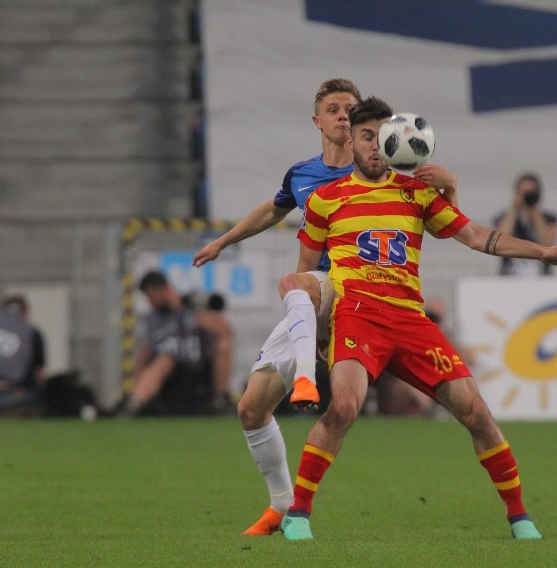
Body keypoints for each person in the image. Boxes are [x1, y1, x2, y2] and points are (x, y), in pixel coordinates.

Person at [280, 96, 557, 541]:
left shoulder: (416, 194)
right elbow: (309, 273)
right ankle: (298, 514)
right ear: (352, 138)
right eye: (368, 135)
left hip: (410, 320)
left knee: (476, 411)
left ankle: (520, 517)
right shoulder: (326, 199)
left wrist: (543, 252)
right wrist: (317, 331)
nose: (376, 145)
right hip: (358, 315)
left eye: (384, 137)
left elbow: (478, 236)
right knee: (345, 407)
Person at [192, 78, 461, 535]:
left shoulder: (384, 168)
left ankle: (305, 377)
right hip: (313, 297)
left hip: (358, 295)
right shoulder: (302, 175)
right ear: (317, 121)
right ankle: (280, 505)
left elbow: (441, 220)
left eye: (349, 109)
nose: (343, 116)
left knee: (308, 303)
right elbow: (273, 210)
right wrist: (222, 240)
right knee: (251, 409)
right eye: (333, 109)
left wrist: (450, 186)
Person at [120, 270, 234, 416]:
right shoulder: (152, 319)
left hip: (198, 365)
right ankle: (134, 404)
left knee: (223, 344)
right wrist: (136, 385)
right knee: (165, 358)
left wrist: (191, 313)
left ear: (163, 289)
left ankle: (220, 399)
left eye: (151, 296)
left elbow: (225, 330)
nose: (150, 302)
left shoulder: (192, 308)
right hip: (170, 372)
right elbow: (144, 354)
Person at [493, 172, 557, 276]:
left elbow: (548, 245)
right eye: (523, 192)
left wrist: (535, 212)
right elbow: (501, 240)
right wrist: (514, 208)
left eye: (531, 192)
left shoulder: (549, 219)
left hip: (541, 274)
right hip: (510, 274)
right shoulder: (505, 217)